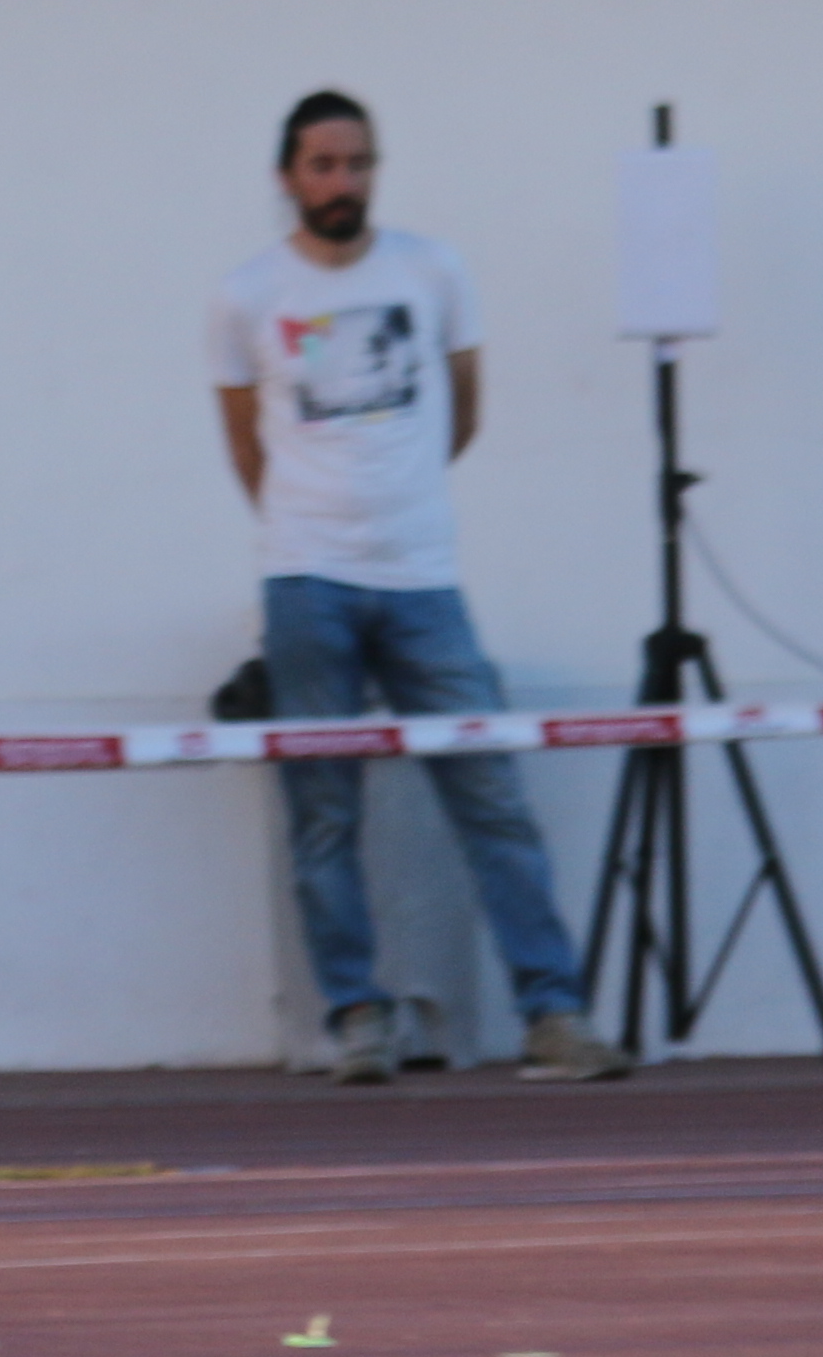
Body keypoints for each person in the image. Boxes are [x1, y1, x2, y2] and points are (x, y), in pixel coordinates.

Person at [207, 89, 618, 1087]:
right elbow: (244, 441)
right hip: (307, 582)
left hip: (425, 580)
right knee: (323, 809)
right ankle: (357, 1014)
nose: (341, 183)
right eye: (322, 166)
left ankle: (552, 1013)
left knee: (492, 795)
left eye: (357, 164)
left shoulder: (434, 269)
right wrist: (310, 527)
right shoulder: (247, 294)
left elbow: (461, 412)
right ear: (287, 177)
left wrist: (401, 503)